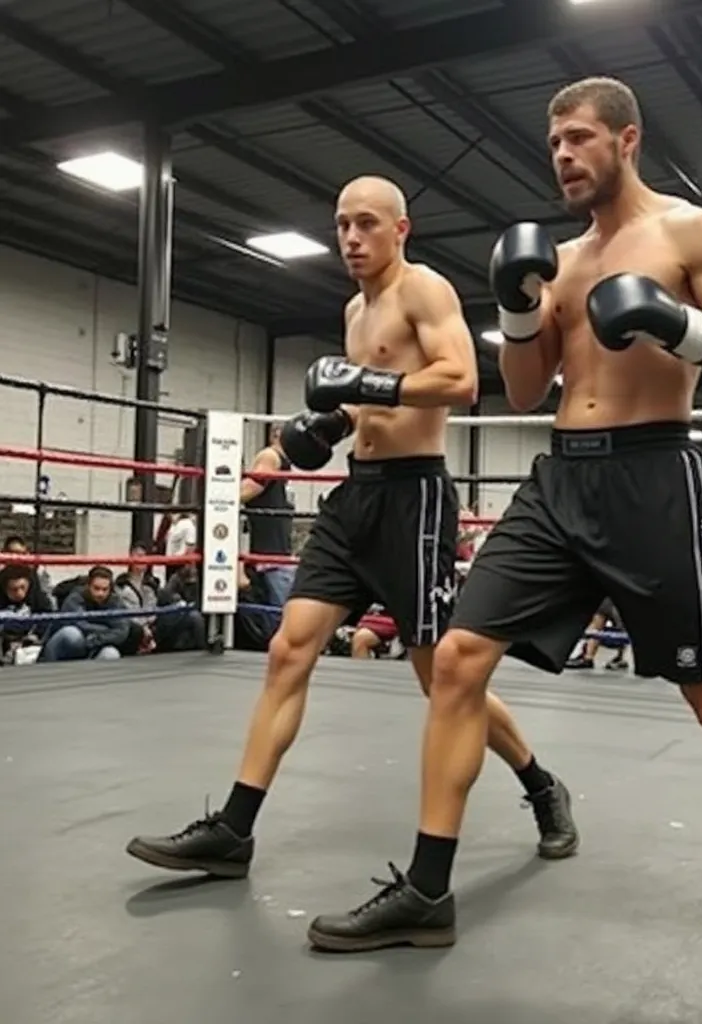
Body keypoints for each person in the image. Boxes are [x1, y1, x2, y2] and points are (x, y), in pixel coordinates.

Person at [309, 77, 702, 953]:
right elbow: (518, 393)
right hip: (559, 482)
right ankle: (429, 889)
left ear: (627, 140)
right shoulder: (562, 259)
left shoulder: (688, 231)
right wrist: (518, 310)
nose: (562, 156)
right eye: (554, 144)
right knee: (459, 660)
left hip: (653, 476)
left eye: (580, 139)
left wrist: (677, 323)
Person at [125, 175, 577, 880]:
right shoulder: (353, 311)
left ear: (402, 230)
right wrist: (283, 450)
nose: (351, 238)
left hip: (415, 502)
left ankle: (541, 784)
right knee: (288, 649)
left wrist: (365, 386)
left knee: (441, 682)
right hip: (354, 500)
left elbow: (459, 381)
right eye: (342, 225)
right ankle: (234, 831)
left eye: (367, 224)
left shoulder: (425, 289)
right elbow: (355, 407)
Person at [241, 423, 297, 607]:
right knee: (279, 618)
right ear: (278, 434)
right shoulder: (270, 456)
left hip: (278, 555)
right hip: (270, 557)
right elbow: (249, 489)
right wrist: (219, 499)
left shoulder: (284, 462)